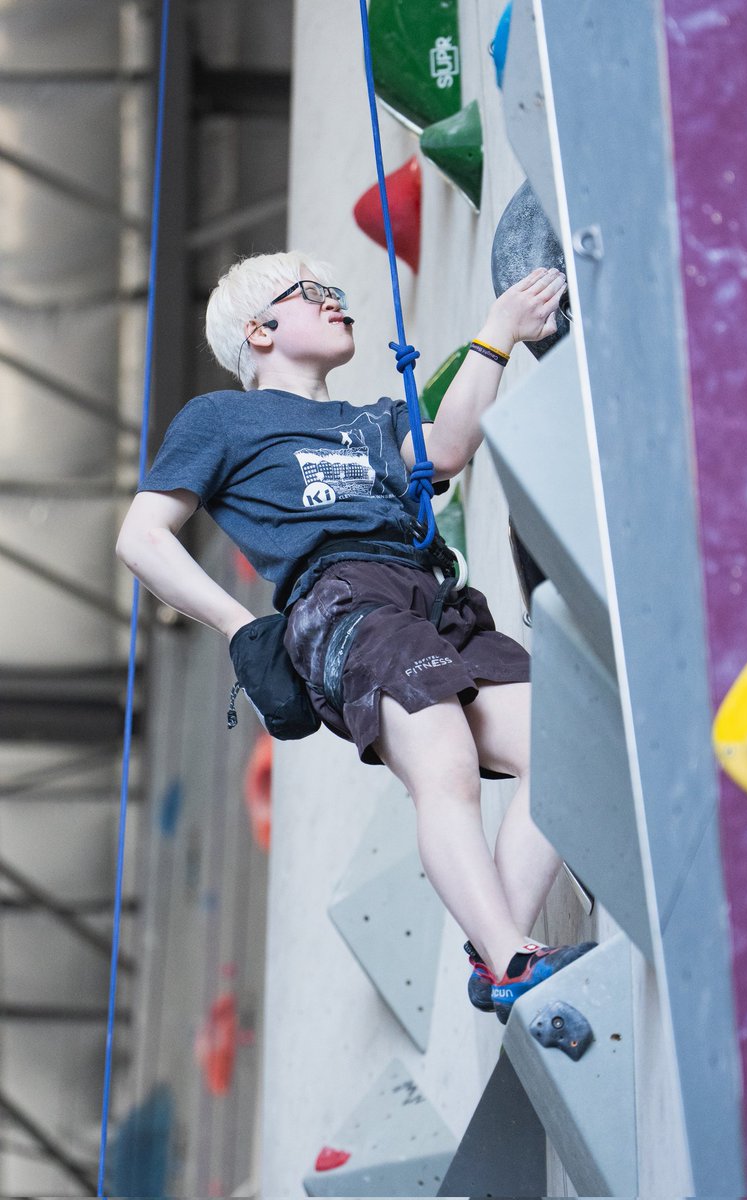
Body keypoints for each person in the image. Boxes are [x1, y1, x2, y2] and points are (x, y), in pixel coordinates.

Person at [116, 250, 594, 1024]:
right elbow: (143, 538)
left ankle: (498, 950)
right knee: (445, 762)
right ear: (261, 329)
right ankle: (509, 956)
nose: (339, 302)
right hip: (342, 600)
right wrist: (243, 628)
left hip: (430, 591)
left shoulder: (370, 418)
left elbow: (445, 450)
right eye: (316, 293)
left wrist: (498, 331)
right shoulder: (220, 420)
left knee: (560, 739)